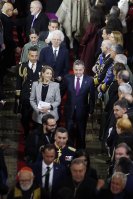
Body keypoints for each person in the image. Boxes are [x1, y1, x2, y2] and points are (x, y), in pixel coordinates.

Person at [63, 60, 95, 148]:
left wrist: (91, 111)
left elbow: (92, 97)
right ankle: (69, 153)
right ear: (73, 69)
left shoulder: (89, 80)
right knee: (68, 133)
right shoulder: (67, 78)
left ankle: (80, 153)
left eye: (80, 70)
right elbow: (61, 93)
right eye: (76, 70)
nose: (78, 72)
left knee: (81, 133)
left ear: (83, 69)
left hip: (82, 111)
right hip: (69, 111)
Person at [15, 46, 42, 137]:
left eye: (36, 56)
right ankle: (27, 132)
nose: (34, 58)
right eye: (32, 56)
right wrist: (17, 101)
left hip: (37, 98)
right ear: (28, 55)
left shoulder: (42, 67)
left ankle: (34, 135)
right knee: (24, 119)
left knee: (36, 120)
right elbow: (18, 84)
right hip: (25, 97)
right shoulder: (22, 66)